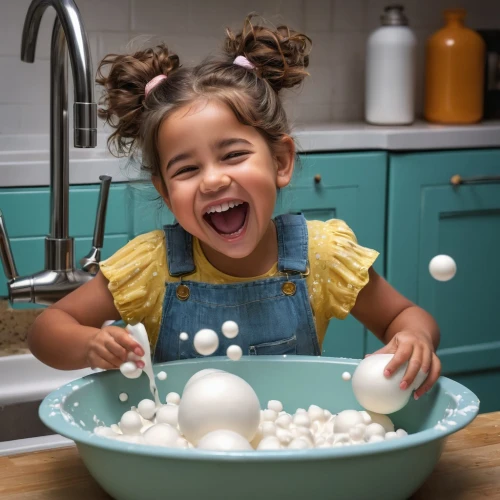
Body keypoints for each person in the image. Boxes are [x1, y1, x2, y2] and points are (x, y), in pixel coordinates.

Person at [28, 16, 440, 400]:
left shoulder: (322, 255)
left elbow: (403, 315)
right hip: (184, 462)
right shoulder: (152, 266)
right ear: (166, 192)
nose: (212, 180)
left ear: (280, 161)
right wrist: (90, 345)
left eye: (232, 155)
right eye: (186, 168)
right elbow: (46, 330)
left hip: (293, 453)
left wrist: (414, 339)